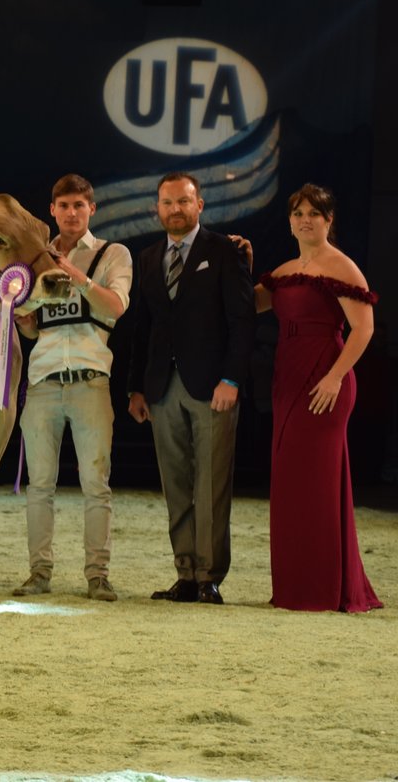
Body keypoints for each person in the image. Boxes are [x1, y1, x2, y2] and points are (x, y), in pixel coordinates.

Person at [253, 183, 382, 612]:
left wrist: (335, 377)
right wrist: (241, 263)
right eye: (298, 213)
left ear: (329, 220)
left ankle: (323, 588)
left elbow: (364, 328)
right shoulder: (287, 268)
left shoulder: (341, 265)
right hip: (288, 379)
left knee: (317, 485)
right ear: (290, 221)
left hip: (325, 381)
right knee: (291, 484)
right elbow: (248, 305)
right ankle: (296, 586)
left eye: (314, 213)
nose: (305, 219)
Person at [128, 172, 254, 605]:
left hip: (213, 387)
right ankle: (185, 573)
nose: (175, 209)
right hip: (162, 388)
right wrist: (136, 388)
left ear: (199, 205)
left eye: (183, 201)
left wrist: (231, 379)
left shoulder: (225, 251)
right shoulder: (148, 257)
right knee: (176, 484)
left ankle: (209, 577)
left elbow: (242, 322)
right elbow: (142, 327)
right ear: (157, 209)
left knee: (211, 486)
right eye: (167, 203)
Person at [13, 174, 132, 602]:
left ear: (92, 209)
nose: (71, 213)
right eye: (63, 205)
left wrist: (76, 277)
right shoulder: (37, 258)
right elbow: (32, 327)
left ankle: (98, 575)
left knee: (96, 484)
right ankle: (39, 572)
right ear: (52, 211)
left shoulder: (112, 253)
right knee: (39, 485)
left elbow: (116, 306)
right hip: (44, 379)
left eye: (79, 205)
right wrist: (23, 317)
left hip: (89, 380)